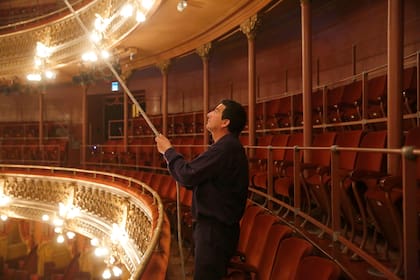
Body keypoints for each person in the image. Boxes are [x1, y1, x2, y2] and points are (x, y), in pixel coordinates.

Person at [155, 99, 249, 280]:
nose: (208, 114)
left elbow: (188, 174)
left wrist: (168, 151)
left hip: (215, 232)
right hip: (214, 230)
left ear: (225, 122)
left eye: (216, 111)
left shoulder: (225, 148)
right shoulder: (224, 148)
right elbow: (191, 179)